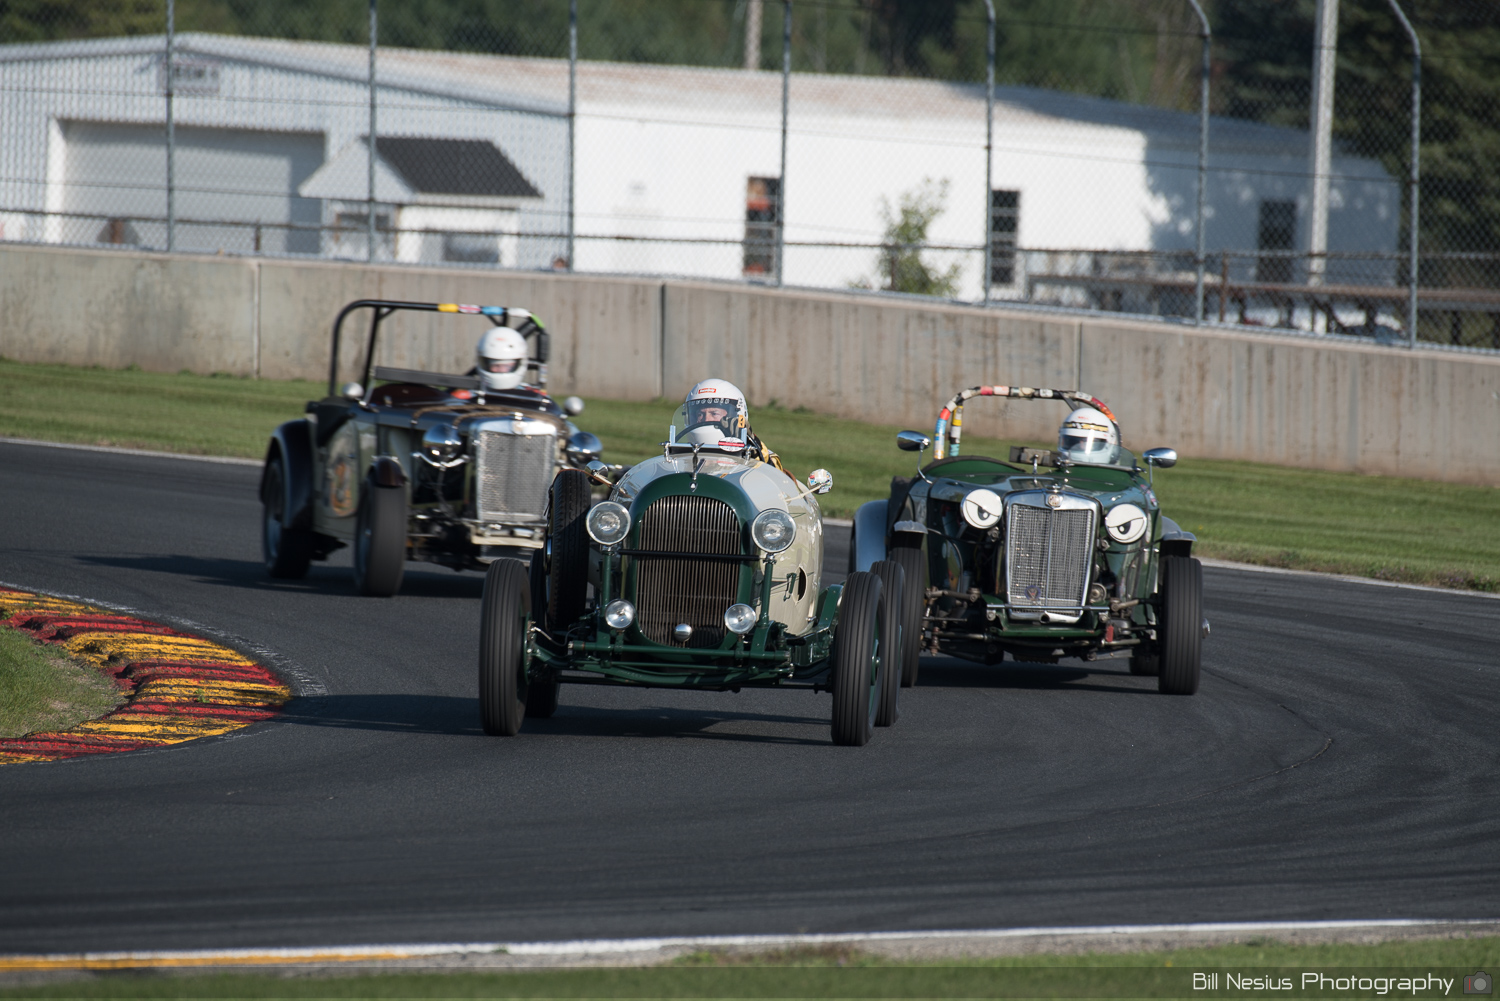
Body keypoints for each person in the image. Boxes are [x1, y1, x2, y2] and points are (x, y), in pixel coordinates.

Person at [678, 378, 785, 472]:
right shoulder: (679, 457)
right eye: (700, 414)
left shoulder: (759, 454)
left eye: (714, 414)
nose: (706, 419)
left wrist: (752, 445)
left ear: (737, 416)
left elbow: (774, 476)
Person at [473, 327, 528, 393]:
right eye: (496, 365)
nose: (501, 369)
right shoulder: (470, 395)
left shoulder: (534, 398)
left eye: (507, 366)